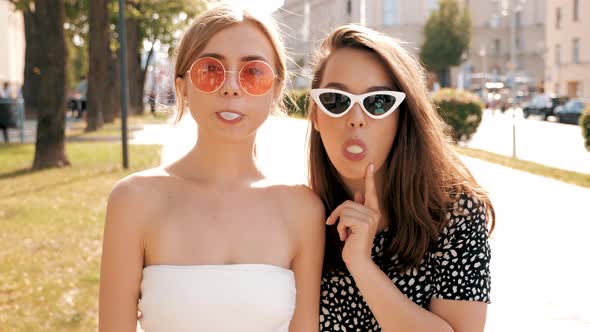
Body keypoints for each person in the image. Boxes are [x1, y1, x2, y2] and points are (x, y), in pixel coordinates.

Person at [99, 4, 325, 331]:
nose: (231, 87)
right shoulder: (133, 201)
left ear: (276, 90)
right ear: (182, 87)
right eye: (210, 70)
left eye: (253, 72)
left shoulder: (303, 209)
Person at [306, 25, 495, 331]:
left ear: (402, 116)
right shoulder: (300, 216)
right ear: (315, 115)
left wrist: (362, 266)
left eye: (377, 102)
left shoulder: (455, 216)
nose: (355, 118)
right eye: (336, 100)